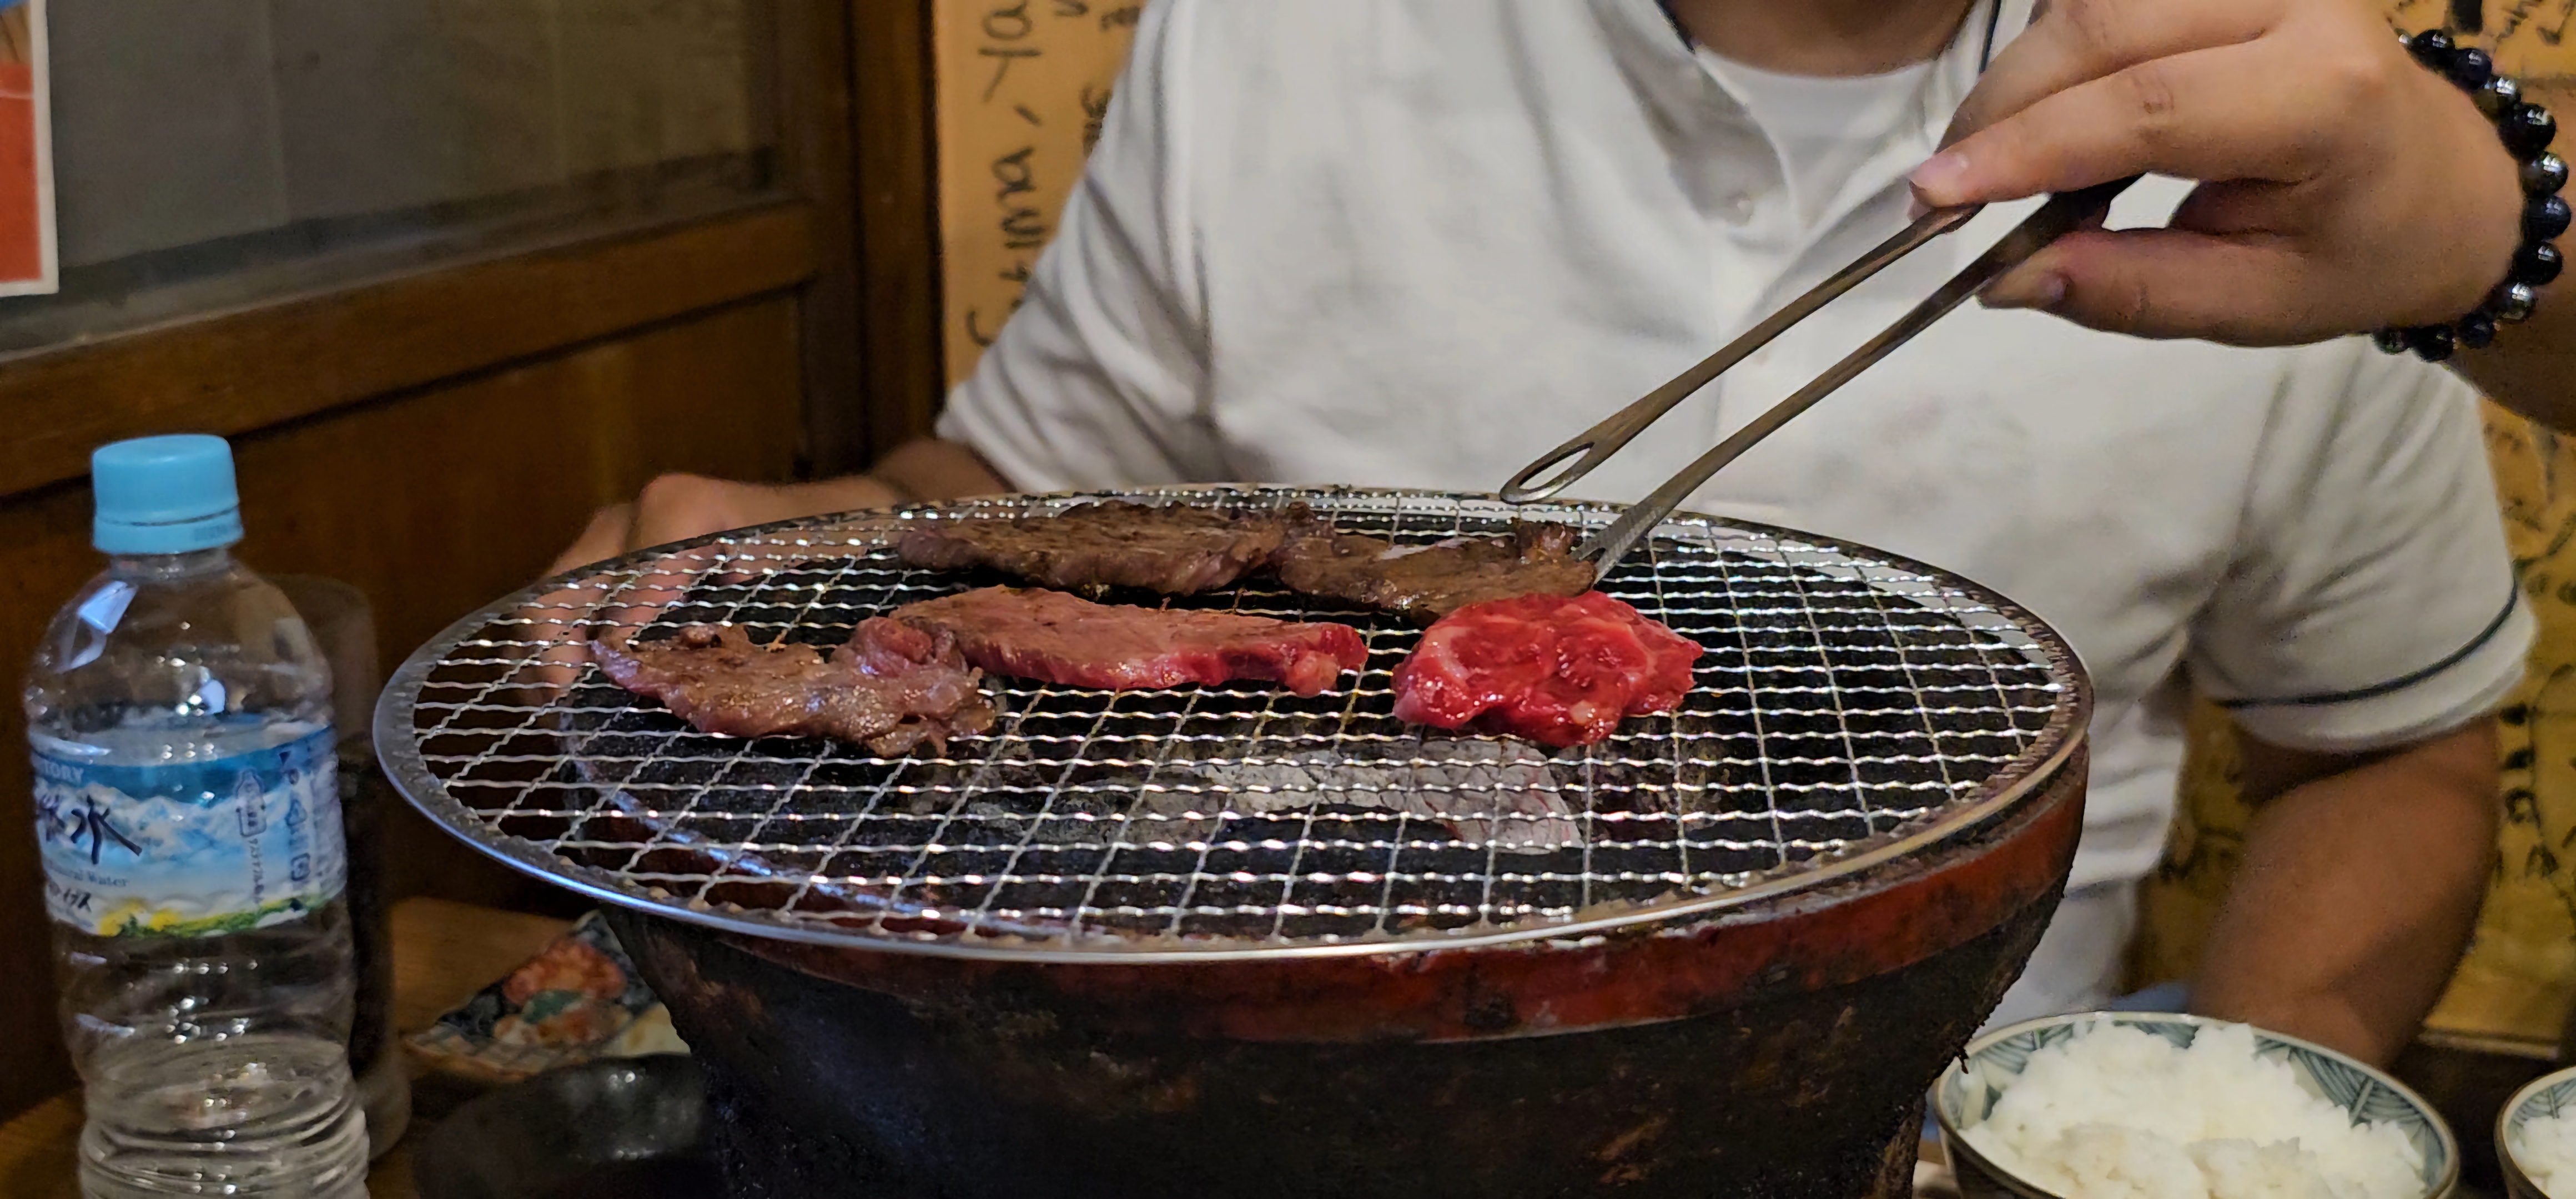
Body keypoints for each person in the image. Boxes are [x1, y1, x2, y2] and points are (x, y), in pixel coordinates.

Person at [550, 0, 2540, 1069]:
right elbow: (1004, 503)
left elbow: (2391, 752)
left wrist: (2221, 1118)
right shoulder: (1285, 36)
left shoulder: (2257, 118)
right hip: (1224, 1058)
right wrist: (794, 555)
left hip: (1938, 1099)